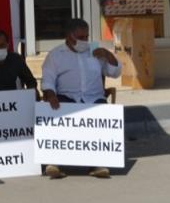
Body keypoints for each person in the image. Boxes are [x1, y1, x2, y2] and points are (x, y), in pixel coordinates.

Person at [40, 18, 121, 180]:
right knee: (54, 111)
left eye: (86, 37)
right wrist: (50, 94)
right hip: (67, 97)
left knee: (101, 112)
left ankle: (98, 164)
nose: (85, 41)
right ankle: (54, 162)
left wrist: (108, 55)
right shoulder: (55, 55)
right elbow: (48, 80)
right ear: (69, 37)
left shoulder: (96, 51)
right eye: (81, 37)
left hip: (93, 98)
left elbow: (115, 72)